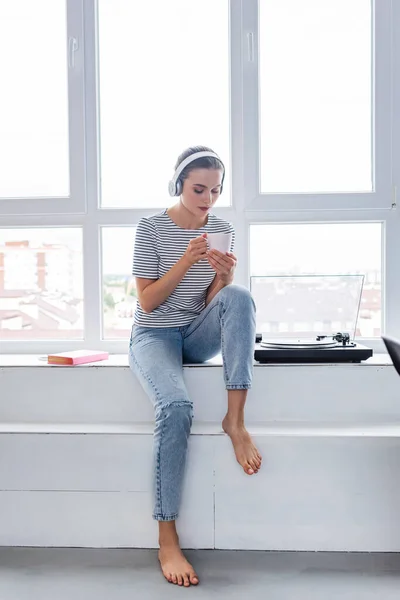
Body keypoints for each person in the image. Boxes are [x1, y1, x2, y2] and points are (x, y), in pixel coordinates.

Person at [128, 145, 262, 587]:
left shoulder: (222, 229)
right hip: (155, 335)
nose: (207, 199)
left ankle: (235, 420)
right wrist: (186, 261)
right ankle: (167, 535)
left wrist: (222, 279)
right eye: (198, 189)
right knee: (177, 409)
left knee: (239, 295)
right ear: (178, 185)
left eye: (215, 190)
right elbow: (148, 302)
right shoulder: (150, 228)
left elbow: (212, 306)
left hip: (196, 332)